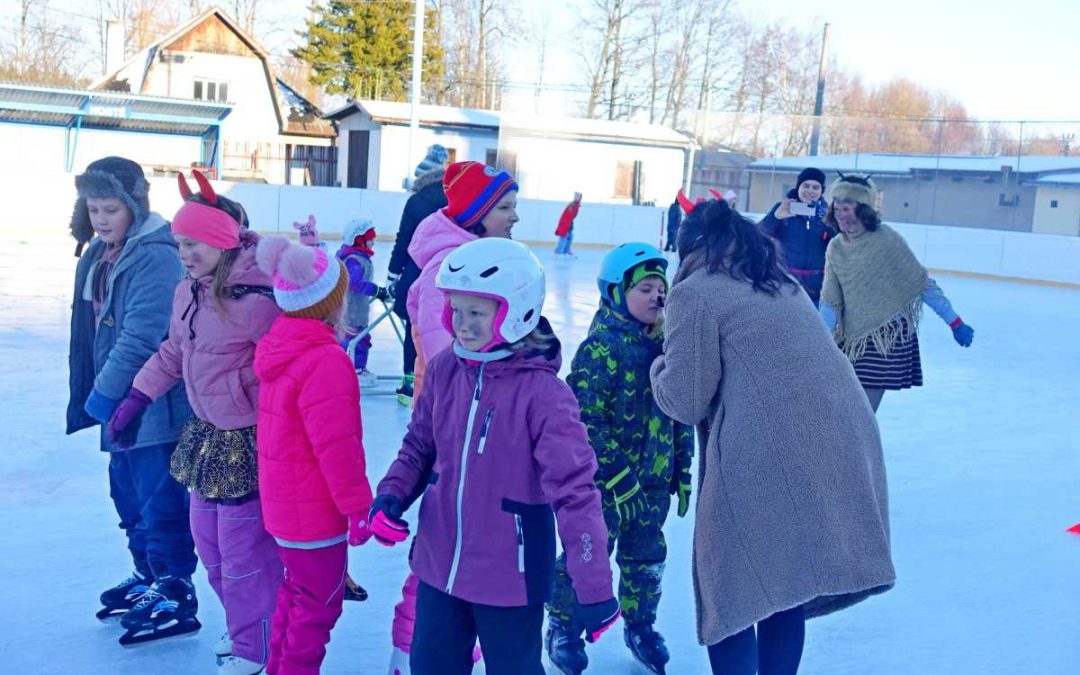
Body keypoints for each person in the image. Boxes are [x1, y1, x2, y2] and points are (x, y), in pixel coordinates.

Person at [649, 198, 896, 675]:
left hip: (767, 446)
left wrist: (657, 362)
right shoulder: (777, 280)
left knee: (734, 584)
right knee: (784, 578)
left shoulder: (697, 291)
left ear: (691, 248)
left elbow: (684, 399)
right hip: (838, 433)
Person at [371, 238, 620, 675]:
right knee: (430, 666)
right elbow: (419, 445)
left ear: (515, 311)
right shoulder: (448, 368)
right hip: (439, 562)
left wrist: (594, 585)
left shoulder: (545, 395)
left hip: (511, 578)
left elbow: (576, 494)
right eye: (456, 311)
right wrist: (391, 495)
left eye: (477, 313)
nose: (462, 326)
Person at [107, 170, 282, 674]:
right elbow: (172, 351)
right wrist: (135, 398)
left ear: (224, 243)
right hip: (205, 437)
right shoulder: (189, 290)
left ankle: (257, 648)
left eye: (195, 244)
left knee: (245, 555)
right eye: (179, 243)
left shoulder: (257, 303)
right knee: (209, 547)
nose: (183, 254)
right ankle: (243, 626)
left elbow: (290, 370)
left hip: (246, 441)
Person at [384, 161, 521, 674]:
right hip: (455, 438)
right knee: (440, 556)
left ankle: (455, 645)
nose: (514, 218)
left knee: (469, 547)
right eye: (505, 208)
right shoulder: (451, 271)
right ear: (478, 214)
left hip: (482, 435)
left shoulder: (481, 260)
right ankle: (410, 653)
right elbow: (458, 370)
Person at [65, 156, 199, 646]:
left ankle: (176, 588)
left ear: (134, 206)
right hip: (119, 399)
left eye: (110, 208)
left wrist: (101, 398)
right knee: (126, 496)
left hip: (154, 406)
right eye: (93, 208)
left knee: (159, 497)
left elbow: (144, 336)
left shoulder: (154, 255)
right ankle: (147, 574)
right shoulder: (99, 254)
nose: (101, 218)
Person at [545, 243, 693, 675]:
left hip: (653, 485)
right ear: (615, 293)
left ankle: (641, 624)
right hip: (604, 488)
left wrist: (682, 467)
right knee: (587, 554)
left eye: (660, 288)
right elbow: (585, 421)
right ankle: (563, 627)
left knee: (646, 557)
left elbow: (681, 411)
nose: (656, 296)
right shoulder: (601, 350)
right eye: (644, 288)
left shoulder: (670, 348)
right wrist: (615, 475)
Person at [253, 237, 375, 675]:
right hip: (314, 515)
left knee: (297, 594)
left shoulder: (281, 347)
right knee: (319, 606)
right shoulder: (324, 360)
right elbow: (337, 449)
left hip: (285, 510)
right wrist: (358, 509)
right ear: (332, 305)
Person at [819, 174, 976, 413]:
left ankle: (858, 449)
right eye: (837, 208)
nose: (841, 214)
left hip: (887, 335)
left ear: (863, 209)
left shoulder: (886, 239)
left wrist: (954, 321)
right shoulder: (836, 247)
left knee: (862, 409)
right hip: (851, 339)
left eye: (847, 208)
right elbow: (830, 299)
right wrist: (821, 337)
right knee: (847, 405)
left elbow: (921, 283)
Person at [389, 145, 450, 406]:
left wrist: (393, 274)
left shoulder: (415, 201)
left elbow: (403, 240)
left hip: (416, 274)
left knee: (414, 330)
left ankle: (409, 385)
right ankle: (444, 385)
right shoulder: (455, 199)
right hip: (448, 274)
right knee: (447, 328)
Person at [759, 167, 836, 306]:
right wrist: (776, 217)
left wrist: (829, 224)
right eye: (806, 186)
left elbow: (838, 245)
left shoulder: (828, 214)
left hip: (818, 288)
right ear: (798, 187)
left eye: (815, 187)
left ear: (821, 191)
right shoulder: (783, 208)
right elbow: (759, 235)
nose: (810, 191)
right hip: (786, 283)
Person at [339, 218, 380, 388]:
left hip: (357, 309)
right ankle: (354, 368)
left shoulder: (359, 257)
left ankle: (353, 367)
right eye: (370, 240)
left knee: (359, 338)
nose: (373, 243)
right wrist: (376, 290)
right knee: (356, 339)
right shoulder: (354, 260)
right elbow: (354, 283)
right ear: (359, 240)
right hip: (352, 311)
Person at [554, 192, 582, 257]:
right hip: (565, 224)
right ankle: (558, 252)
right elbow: (571, 215)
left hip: (569, 223)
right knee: (564, 238)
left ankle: (566, 250)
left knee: (570, 237)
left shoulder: (576, 206)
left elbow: (572, 217)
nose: (578, 199)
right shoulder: (571, 205)